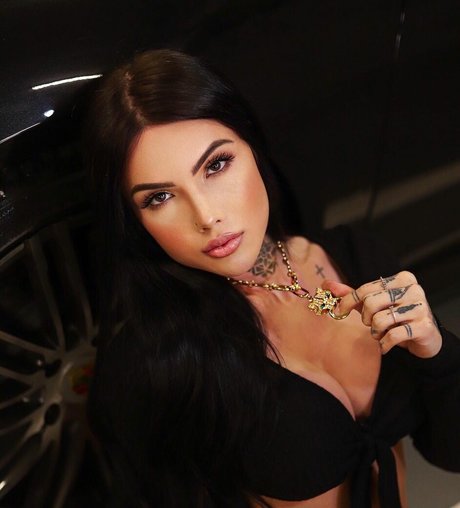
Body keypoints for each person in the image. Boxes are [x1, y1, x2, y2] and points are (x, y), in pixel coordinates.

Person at [85, 49, 460, 508]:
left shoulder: (356, 256)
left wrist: (435, 352)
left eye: (215, 165)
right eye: (160, 197)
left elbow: (451, 453)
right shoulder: (152, 362)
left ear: (253, 148)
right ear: (135, 220)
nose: (207, 216)